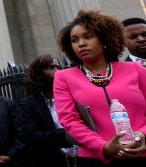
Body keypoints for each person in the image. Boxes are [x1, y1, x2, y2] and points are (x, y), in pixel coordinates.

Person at [54, 9, 146, 166]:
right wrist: (103, 146)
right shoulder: (64, 77)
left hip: (141, 151)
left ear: (104, 39)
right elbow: (69, 120)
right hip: (95, 158)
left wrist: (142, 135)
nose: (81, 43)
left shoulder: (135, 69)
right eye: (74, 40)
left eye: (88, 37)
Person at [19, 55, 77, 167]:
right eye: (50, 68)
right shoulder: (29, 103)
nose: (57, 71)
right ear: (38, 74)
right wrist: (67, 135)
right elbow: (31, 136)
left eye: (58, 67)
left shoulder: (73, 97)